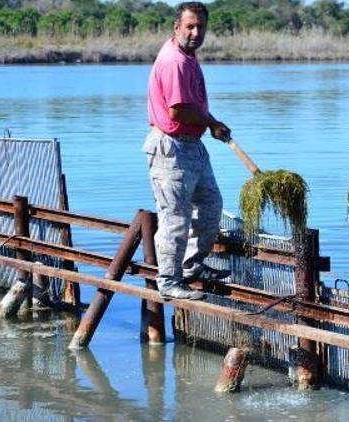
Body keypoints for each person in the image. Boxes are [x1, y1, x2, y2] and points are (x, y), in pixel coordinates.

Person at [142, 1, 231, 300]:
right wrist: (212, 122)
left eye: (200, 27)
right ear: (176, 27)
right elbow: (177, 111)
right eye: (189, 26)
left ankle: (191, 267)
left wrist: (208, 125)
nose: (195, 33)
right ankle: (168, 281)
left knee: (211, 206)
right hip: (171, 147)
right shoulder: (174, 61)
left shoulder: (188, 57)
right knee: (175, 218)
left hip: (193, 146)